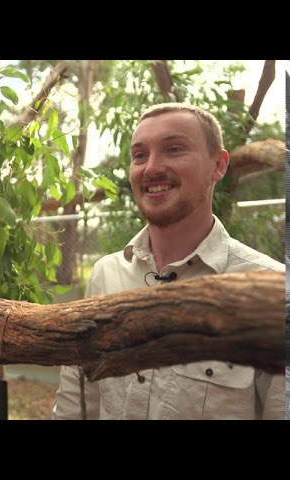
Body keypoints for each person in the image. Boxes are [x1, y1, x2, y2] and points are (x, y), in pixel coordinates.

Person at [52, 102, 285, 420]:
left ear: (218, 165)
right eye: (139, 155)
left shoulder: (272, 290)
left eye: (174, 149)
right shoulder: (105, 276)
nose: (151, 168)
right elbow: (74, 406)